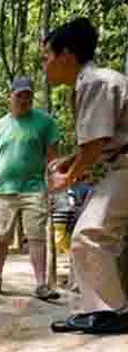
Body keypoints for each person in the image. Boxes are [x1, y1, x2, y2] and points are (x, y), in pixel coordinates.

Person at [44, 17, 128, 334]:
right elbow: (103, 142)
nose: (45, 66)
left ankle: (113, 312)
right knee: (95, 238)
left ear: (66, 55)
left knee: (88, 235)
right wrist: (71, 161)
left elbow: (94, 148)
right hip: (119, 164)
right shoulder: (92, 82)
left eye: (46, 57)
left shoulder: (94, 82)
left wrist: (69, 177)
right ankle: (101, 309)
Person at [0, 76, 61, 301]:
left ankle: (41, 284)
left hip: (34, 189)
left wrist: (57, 186)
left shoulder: (45, 122)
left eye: (28, 96)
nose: (24, 100)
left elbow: (53, 158)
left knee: (36, 236)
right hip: (2, 190)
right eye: (19, 95)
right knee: (0, 237)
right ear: (10, 97)